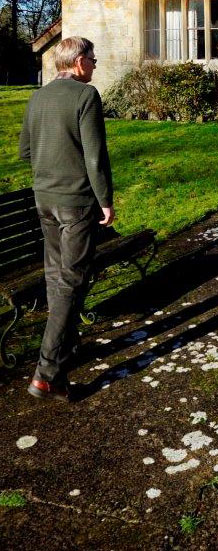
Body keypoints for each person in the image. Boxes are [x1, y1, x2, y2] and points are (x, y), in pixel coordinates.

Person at [19, 36, 114, 400]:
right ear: (77, 62)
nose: (94, 64)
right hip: (76, 203)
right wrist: (105, 200)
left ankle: (65, 348)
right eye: (92, 58)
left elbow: (26, 150)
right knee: (71, 282)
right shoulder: (85, 97)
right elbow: (95, 156)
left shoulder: (37, 96)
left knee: (57, 276)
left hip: (44, 200)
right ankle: (47, 372)